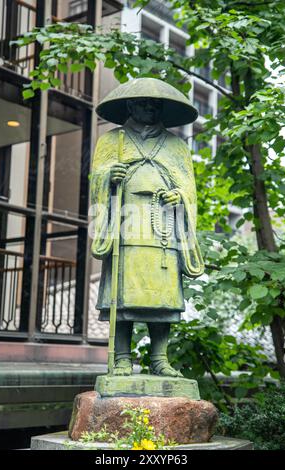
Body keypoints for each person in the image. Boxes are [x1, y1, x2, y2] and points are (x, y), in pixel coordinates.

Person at [91, 78, 204, 377]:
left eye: (156, 105)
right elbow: (95, 179)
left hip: (163, 225)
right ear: (130, 105)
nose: (151, 109)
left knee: (162, 296)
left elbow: (188, 188)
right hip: (127, 223)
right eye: (144, 103)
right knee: (122, 293)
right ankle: (123, 358)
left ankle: (159, 358)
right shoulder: (111, 141)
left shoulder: (176, 145)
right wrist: (107, 177)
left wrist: (179, 196)